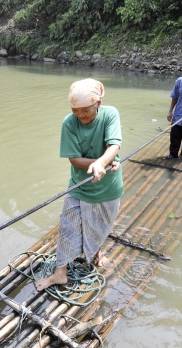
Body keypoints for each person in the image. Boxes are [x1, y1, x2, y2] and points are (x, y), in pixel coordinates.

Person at [35, 78, 124, 291]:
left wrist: (104, 162)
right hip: (80, 186)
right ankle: (60, 274)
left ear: (98, 104)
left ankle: (96, 251)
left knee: (100, 225)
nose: (80, 116)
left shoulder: (110, 114)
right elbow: (74, 159)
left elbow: (114, 144)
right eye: (76, 111)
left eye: (85, 110)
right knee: (68, 226)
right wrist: (98, 164)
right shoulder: (69, 123)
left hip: (108, 187)